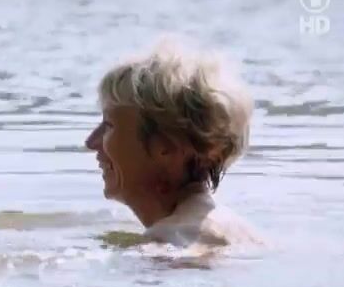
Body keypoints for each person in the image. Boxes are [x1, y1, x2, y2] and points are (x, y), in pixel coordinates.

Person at [85, 39, 260, 247]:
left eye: (109, 125)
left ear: (167, 145)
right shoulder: (245, 234)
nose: (91, 142)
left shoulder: (171, 239)